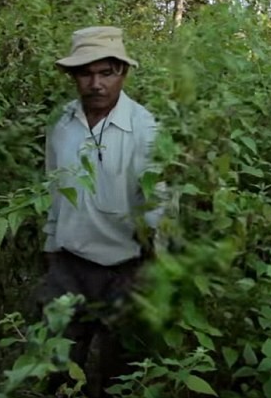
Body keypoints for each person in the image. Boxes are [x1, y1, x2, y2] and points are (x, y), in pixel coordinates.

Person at [39, 26, 165, 398]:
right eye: (85, 73)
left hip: (125, 270)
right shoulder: (61, 123)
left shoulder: (145, 129)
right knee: (56, 368)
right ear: (72, 76)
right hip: (68, 266)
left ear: (122, 73)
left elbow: (159, 203)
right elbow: (52, 187)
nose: (96, 83)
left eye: (106, 72)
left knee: (121, 376)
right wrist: (49, 244)